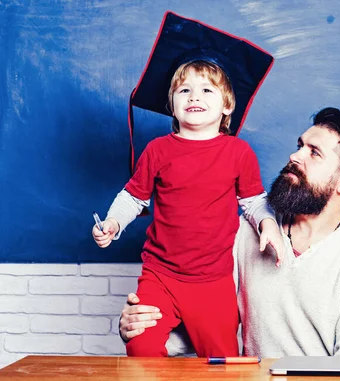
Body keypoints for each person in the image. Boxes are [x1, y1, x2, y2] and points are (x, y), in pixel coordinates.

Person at [119, 107, 340, 357]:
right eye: (300, 145)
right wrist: (146, 329)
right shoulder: (244, 232)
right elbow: (208, 321)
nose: (295, 156)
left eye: (314, 152)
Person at [92, 12, 283, 358]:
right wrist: (113, 223)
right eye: (184, 90)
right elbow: (133, 198)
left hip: (212, 282)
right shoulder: (158, 150)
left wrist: (268, 222)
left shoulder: (238, 152)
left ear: (227, 105)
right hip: (160, 275)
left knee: (223, 359)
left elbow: (254, 200)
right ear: (172, 104)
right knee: (141, 345)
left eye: (207, 90)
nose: (195, 96)